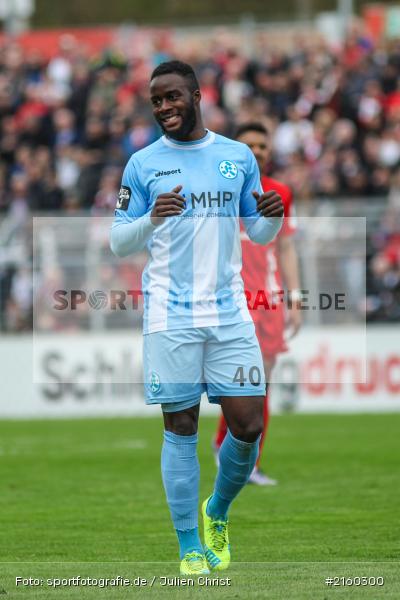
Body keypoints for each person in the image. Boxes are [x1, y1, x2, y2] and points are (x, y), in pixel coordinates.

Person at [109, 61, 284, 576]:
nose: (163, 107)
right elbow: (119, 241)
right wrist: (151, 217)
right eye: (155, 101)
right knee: (181, 425)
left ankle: (217, 511)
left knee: (248, 424)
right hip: (169, 314)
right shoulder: (142, 164)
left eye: (172, 97)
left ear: (197, 95)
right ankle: (189, 546)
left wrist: (270, 216)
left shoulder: (235, 157)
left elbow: (259, 233)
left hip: (229, 311)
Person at [213, 122, 301, 485]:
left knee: (260, 383)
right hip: (230, 297)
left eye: (262, 145)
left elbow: (286, 246)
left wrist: (294, 297)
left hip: (267, 299)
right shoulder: (220, 190)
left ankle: (245, 459)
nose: (258, 151)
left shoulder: (280, 192)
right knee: (238, 382)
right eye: (249, 144)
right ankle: (227, 448)